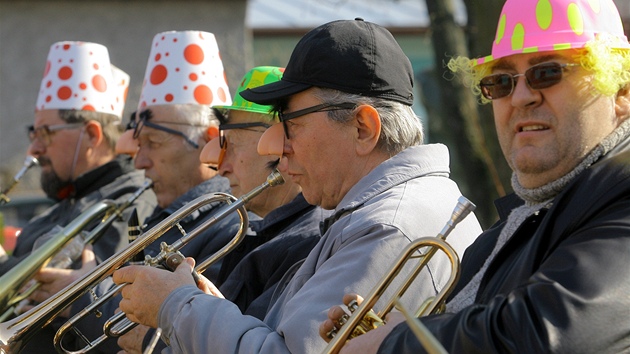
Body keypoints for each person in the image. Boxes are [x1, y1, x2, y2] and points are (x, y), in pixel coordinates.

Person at [113, 18, 482, 353]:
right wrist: (210, 309)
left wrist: (177, 305)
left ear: (363, 128)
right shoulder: (384, 213)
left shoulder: (388, 225)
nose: (278, 147)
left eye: (291, 125)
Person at [320, 1, 630, 353]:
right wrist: (403, 328)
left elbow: (553, 332)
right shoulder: (505, 231)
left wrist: (393, 342)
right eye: (500, 82)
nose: (522, 97)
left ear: (620, 91)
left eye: (547, 73)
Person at [26, 31, 243, 354]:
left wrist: (83, 296)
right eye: (140, 145)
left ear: (208, 139)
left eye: (153, 143)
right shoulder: (157, 217)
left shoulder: (230, 227)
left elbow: (184, 336)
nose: (139, 162)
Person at [118, 65, 333, 353]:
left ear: (277, 144)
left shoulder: (304, 242)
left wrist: (155, 339)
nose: (221, 165)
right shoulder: (264, 234)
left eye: (231, 145)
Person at [0, 40, 158, 354]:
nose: (33, 149)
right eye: (33, 134)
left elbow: (47, 281)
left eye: (46, 133)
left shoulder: (127, 203)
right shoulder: (68, 201)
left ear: (91, 135)